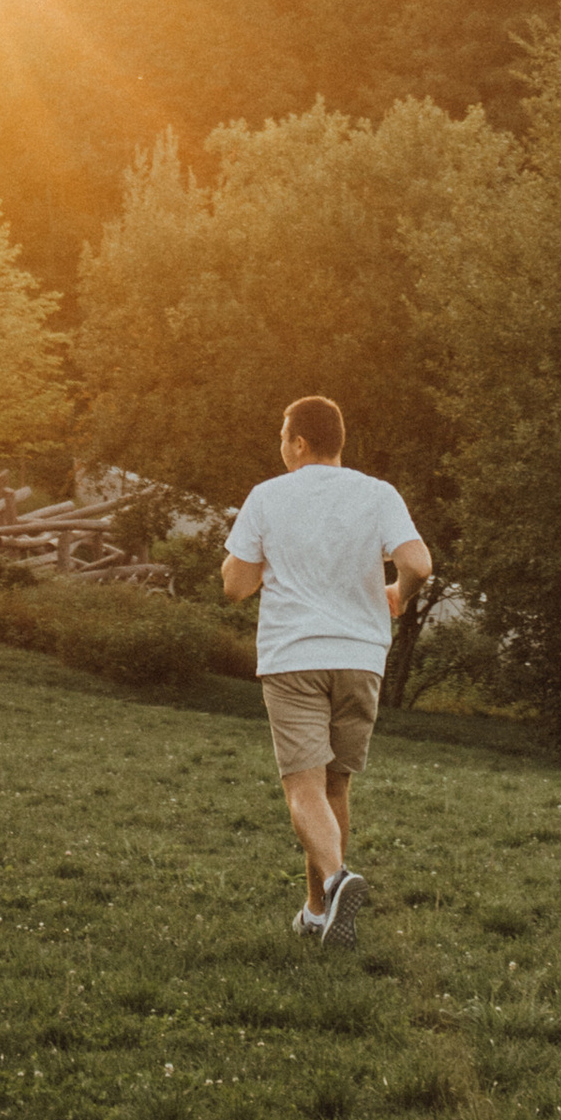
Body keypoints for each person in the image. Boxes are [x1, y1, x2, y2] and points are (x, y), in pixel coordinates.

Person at [222, 397, 431, 953]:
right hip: (361, 655)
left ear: (299, 444)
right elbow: (419, 563)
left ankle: (337, 880)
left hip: (294, 657)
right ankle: (318, 912)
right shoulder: (378, 493)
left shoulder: (267, 496)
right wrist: (398, 595)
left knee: (302, 786)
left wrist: (264, 559)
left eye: (282, 437)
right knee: (336, 783)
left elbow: (236, 586)